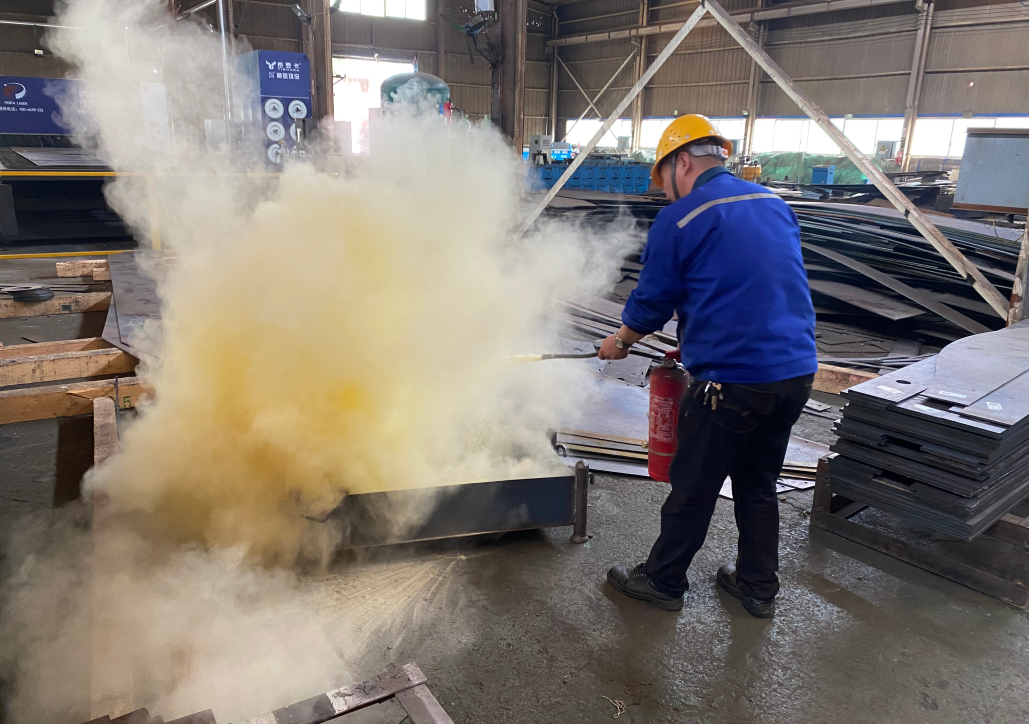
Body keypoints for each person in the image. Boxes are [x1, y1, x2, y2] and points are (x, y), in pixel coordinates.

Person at [598, 114, 818, 618]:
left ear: (681, 162)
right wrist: (698, 338)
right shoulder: (773, 204)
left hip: (732, 383)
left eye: (664, 180)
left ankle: (663, 581)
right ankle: (757, 587)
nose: (666, 193)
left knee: (694, 486)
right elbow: (752, 281)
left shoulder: (682, 218)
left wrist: (620, 341)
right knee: (758, 485)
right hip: (794, 373)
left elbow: (652, 302)